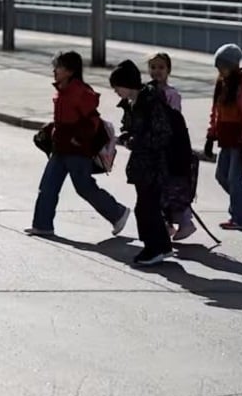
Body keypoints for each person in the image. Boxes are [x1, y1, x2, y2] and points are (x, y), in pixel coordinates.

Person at [28, 50, 130, 237]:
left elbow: (92, 121)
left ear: (70, 70)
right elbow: (65, 119)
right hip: (60, 149)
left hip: (77, 151)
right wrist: (51, 129)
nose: (54, 70)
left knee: (84, 188)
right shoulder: (62, 91)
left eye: (58, 66)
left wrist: (78, 139)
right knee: (48, 186)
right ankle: (42, 225)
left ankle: (118, 213)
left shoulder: (81, 92)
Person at [110, 60, 175, 265]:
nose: (115, 92)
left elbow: (162, 134)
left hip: (154, 165)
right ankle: (163, 247)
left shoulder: (149, 101)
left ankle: (152, 249)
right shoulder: (134, 103)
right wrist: (127, 135)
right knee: (150, 206)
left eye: (117, 87)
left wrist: (135, 141)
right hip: (143, 164)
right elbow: (134, 129)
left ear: (126, 84)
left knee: (145, 208)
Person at [204, 44, 242, 231]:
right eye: (218, 66)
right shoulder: (222, 83)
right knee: (221, 175)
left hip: (239, 139)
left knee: (235, 179)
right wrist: (211, 135)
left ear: (233, 66)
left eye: (223, 66)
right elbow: (216, 111)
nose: (220, 70)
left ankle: (239, 219)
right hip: (225, 137)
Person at [147, 52, 196, 241]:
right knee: (158, 188)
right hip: (155, 147)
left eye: (160, 67)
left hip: (169, 147)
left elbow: (174, 122)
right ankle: (166, 224)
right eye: (153, 67)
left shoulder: (172, 95)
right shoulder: (148, 92)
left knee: (172, 187)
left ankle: (185, 221)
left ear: (168, 70)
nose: (156, 71)